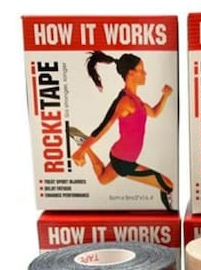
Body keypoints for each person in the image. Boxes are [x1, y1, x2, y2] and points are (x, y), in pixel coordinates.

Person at [70, 51, 174, 210]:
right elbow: (104, 127)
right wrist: (80, 152)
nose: (145, 74)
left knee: (103, 179)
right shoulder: (125, 102)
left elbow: (154, 112)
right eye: (141, 70)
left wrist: (165, 96)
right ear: (131, 73)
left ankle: (85, 145)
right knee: (167, 185)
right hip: (123, 161)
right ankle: (169, 211)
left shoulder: (137, 101)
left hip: (121, 155)